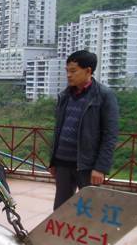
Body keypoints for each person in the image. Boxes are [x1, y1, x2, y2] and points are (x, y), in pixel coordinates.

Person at [49, 50, 119, 210]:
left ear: (88, 71)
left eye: (73, 71)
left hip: (87, 165)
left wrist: (100, 168)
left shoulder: (104, 95)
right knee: (60, 210)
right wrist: (53, 161)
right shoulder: (65, 95)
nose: (69, 75)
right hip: (62, 163)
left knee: (89, 210)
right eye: (67, 71)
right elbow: (58, 130)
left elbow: (110, 135)